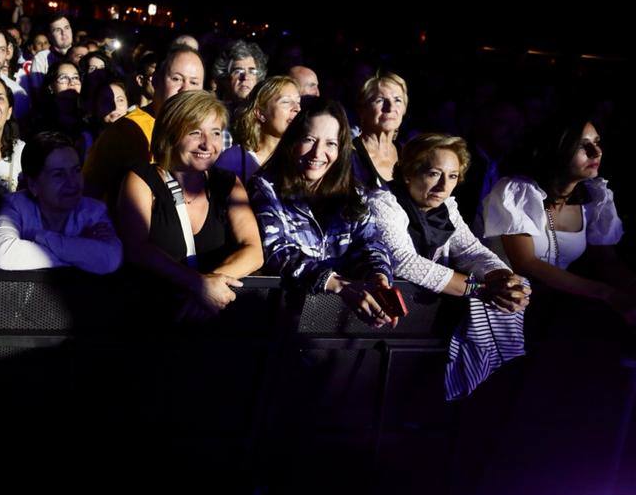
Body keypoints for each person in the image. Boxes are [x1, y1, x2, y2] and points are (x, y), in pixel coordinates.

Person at [369, 133, 530, 398]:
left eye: (453, 176)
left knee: (517, 285)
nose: (444, 186)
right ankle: (492, 384)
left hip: (426, 312)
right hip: (388, 314)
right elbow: (403, 262)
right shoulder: (383, 201)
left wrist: (503, 278)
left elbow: (470, 249)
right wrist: (478, 289)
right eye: (434, 173)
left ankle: (496, 379)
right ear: (409, 173)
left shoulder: (447, 206)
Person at [248, 98, 396, 327]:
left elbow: (370, 242)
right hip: (280, 320)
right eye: (309, 140)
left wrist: (378, 276)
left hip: (337, 324)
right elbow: (278, 251)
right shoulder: (265, 188)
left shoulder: (353, 192)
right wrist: (336, 283)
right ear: (293, 141)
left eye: (330, 144)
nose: (318, 153)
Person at [116, 90, 263, 321]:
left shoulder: (227, 183)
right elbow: (137, 248)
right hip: (153, 322)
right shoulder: (141, 179)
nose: (207, 144)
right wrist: (198, 285)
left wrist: (208, 288)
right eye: (195, 132)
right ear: (171, 134)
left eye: (215, 133)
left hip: (215, 323)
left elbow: (254, 251)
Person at [483, 113, 635, 325]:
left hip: (549, 310)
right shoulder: (518, 191)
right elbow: (526, 263)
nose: (596, 152)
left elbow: (607, 261)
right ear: (558, 149)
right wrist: (605, 293)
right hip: (502, 307)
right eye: (583, 146)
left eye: (597, 143)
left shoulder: (594, 198)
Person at [0, 131, 122, 273]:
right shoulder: (16, 205)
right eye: (58, 174)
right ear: (33, 185)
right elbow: (1, 254)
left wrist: (43, 238)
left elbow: (110, 259)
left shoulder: (94, 211)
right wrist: (83, 255)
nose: (72, 182)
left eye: (76, 171)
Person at [83, 45, 205, 202]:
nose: (185, 89)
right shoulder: (125, 130)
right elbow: (90, 193)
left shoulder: (206, 133)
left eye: (194, 82)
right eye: (176, 79)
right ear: (155, 81)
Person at [217, 76, 301, 182]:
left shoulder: (301, 159)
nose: (297, 109)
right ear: (260, 113)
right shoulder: (234, 159)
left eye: (298, 102)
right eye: (285, 102)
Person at [352, 72, 409, 188]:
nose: (391, 108)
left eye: (397, 100)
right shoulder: (350, 156)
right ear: (362, 109)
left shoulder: (409, 155)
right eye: (380, 100)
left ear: (404, 109)